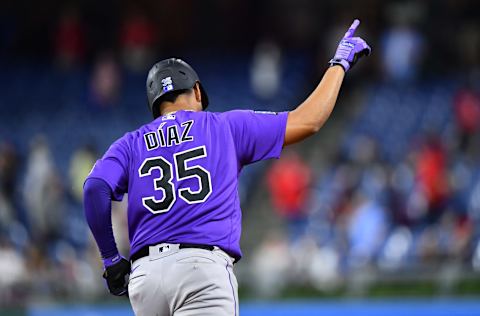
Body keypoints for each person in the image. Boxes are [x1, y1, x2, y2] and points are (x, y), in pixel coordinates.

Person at [84, 19, 370, 316]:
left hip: (146, 281)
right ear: (196, 91)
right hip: (200, 270)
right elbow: (309, 120)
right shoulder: (223, 126)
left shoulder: (130, 144)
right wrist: (339, 64)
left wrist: (111, 260)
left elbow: (94, 188)